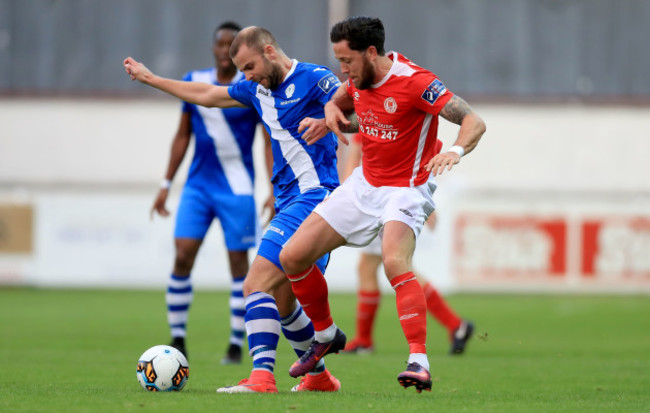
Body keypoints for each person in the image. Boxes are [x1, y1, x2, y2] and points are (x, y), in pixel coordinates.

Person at [124, 26, 343, 394]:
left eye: (249, 66)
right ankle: (319, 377)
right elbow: (208, 94)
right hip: (292, 201)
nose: (246, 75)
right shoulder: (257, 90)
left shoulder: (315, 78)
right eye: (240, 69)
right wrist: (151, 79)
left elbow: (356, 103)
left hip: (315, 196)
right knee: (285, 299)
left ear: (270, 52)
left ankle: (261, 378)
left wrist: (332, 119)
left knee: (255, 283)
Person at [279, 16, 486, 393]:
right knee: (292, 256)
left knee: (394, 263)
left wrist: (455, 150)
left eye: (347, 61)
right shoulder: (357, 80)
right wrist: (329, 116)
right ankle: (325, 334)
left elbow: (474, 120)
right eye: (338, 61)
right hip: (363, 185)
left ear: (371, 53)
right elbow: (346, 103)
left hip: (406, 189)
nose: (342, 70)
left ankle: (419, 362)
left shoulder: (416, 82)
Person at [151, 22, 273, 365]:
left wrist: (273, 189)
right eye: (219, 44)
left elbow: (267, 140)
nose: (223, 50)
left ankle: (235, 344)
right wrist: (165, 184)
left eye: (229, 45)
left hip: (237, 188)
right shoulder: (195, 80)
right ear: (214, 47)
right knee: (182, 254)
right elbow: (181, 136)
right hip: (197, 186)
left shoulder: (251, 85)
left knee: (240, 265)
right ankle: (178, 338)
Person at [340, 134, 474, 356]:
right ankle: (455, 324)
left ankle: (365, 340)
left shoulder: (370, 111)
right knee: (380, 266)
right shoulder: (389, 113)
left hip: (381, 198)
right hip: (392, 197)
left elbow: (356, 159)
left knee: (389, 267)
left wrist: (346, 196)